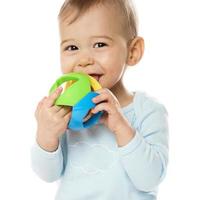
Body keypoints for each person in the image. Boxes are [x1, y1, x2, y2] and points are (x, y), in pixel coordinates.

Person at [31, 0, 169, 199]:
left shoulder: (148, 110)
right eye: (71, 47)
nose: (84, 59)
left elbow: (151, 179)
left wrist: (122, 128)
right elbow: (47, 175)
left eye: (99, 44)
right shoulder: (64, 111)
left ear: (133, 51)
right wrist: (46, 134)